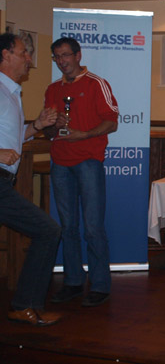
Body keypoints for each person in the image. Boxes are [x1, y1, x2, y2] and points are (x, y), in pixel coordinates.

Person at [44, 37, 119, 307]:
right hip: (60, 162)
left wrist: (83, 135)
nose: (61, 61)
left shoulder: (96, 84)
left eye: (65, 55)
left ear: (78, 55)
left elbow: (112, 122)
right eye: (57, 57)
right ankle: (73, 281)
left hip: (88, 160)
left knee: (93, 227)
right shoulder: (53, 89)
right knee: (68, 227)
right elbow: (48, 131)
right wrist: (53, 125)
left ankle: (99, 285)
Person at [0, 32, 62, 326]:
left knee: (46, 231)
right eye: (23, 52)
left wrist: (36, 125)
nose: (29, 58)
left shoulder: (11, 93)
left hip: (4, 183)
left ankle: (26, 306)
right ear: (5, 55)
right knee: (48, 230)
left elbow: (13, 138)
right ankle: (25, 305)